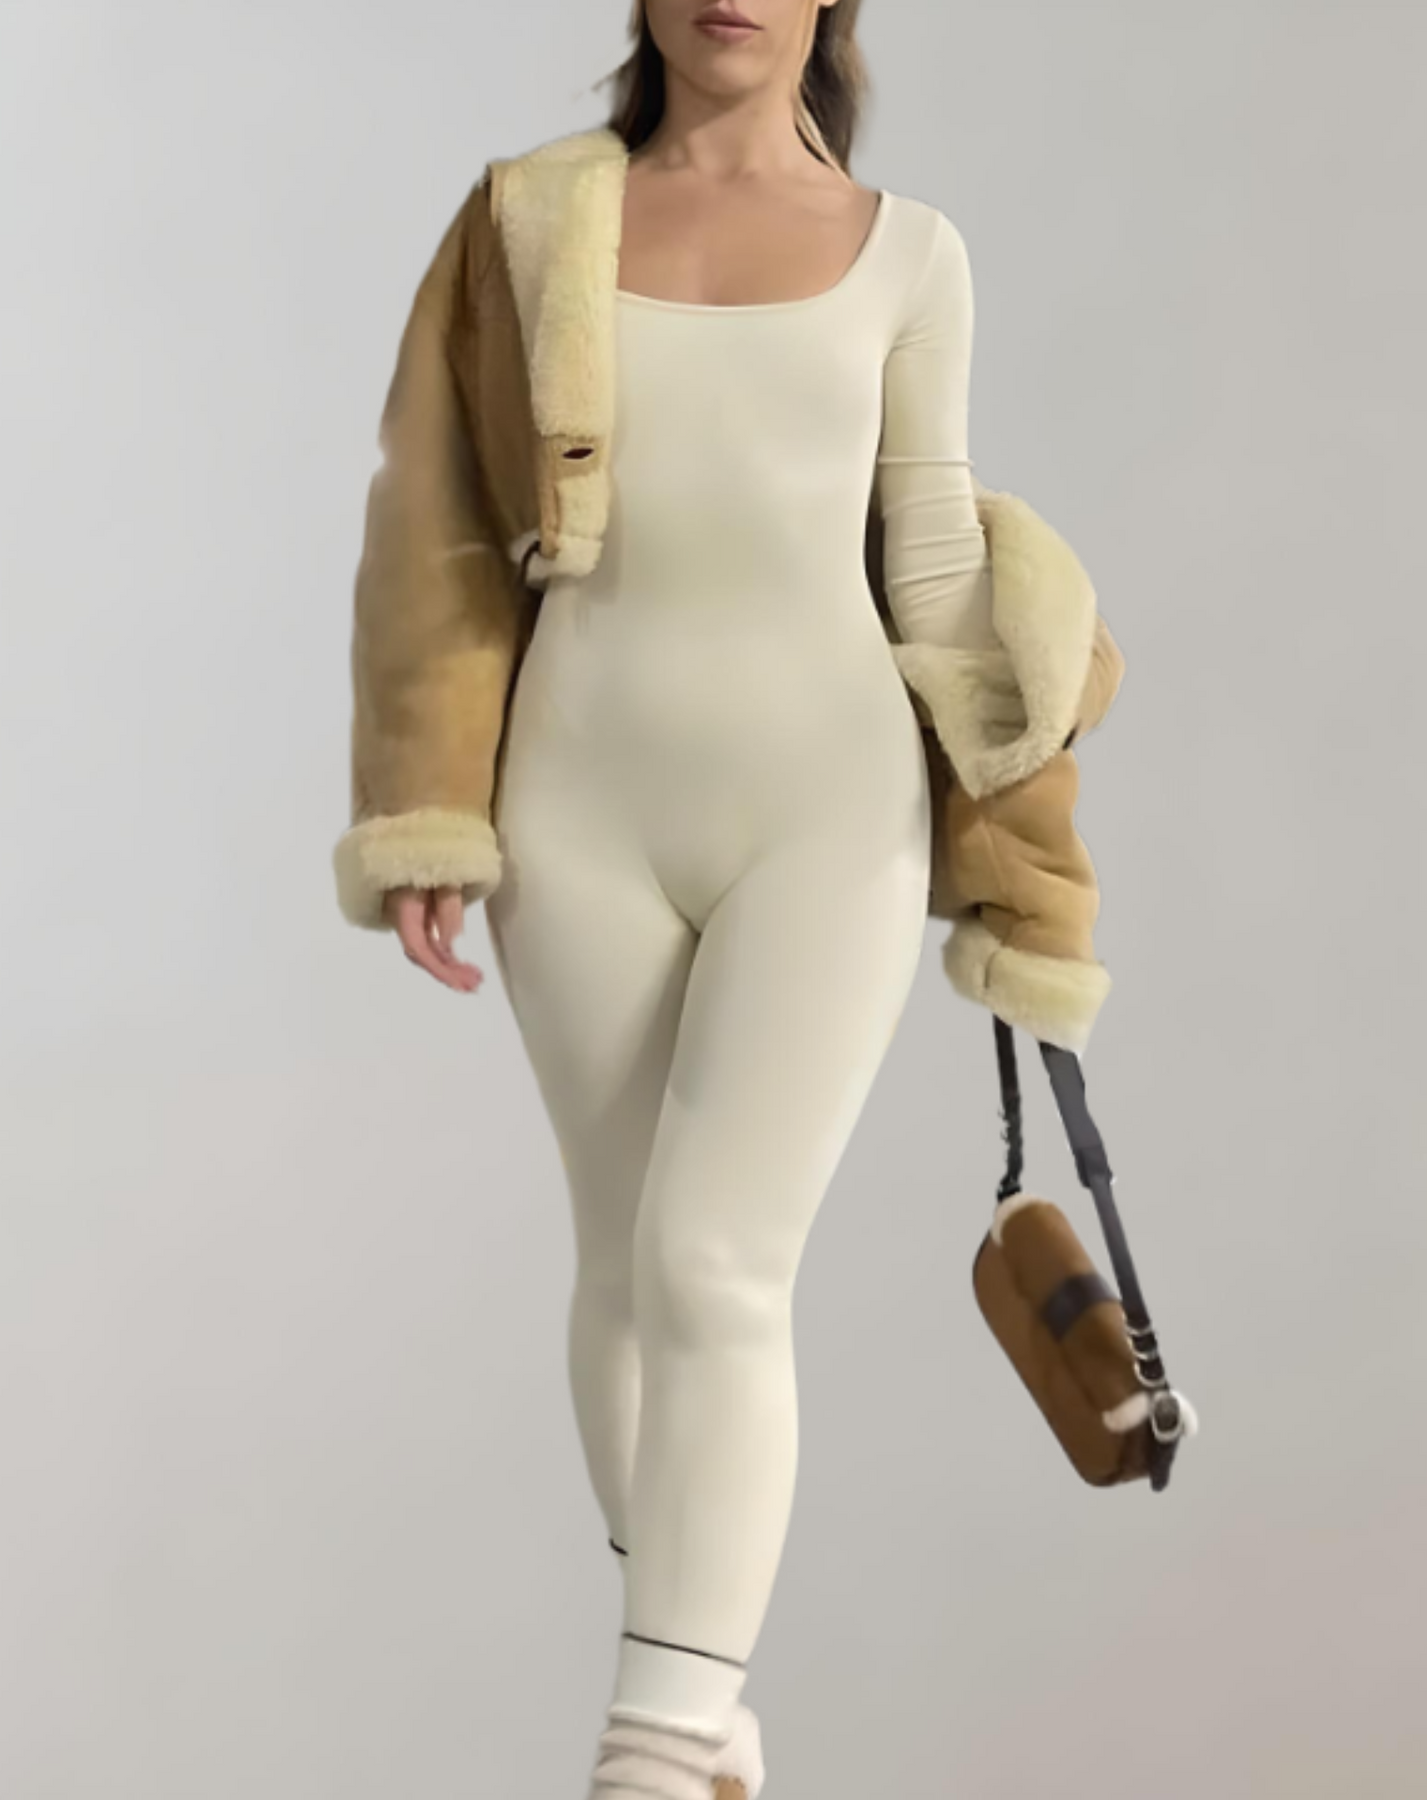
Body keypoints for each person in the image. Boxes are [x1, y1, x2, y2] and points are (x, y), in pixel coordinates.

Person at [356, 4, 996, 1795]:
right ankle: (709, 1713)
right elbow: (434, 527)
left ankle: (648, 1749)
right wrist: (424, 810)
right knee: (626, 1270)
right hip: (575, 805)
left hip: (829, 810)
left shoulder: (911, 256)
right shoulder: (524, 221)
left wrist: (1023, 855)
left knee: (717, 1259)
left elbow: (936, 559)